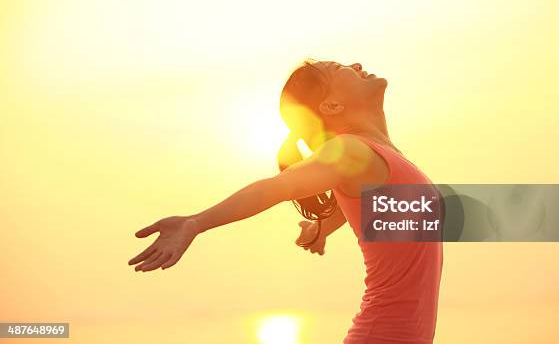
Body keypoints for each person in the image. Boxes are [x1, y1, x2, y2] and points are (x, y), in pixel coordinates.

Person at [128, 59, 444, 344]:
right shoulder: (351, 151)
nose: (357, 64)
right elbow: (277, 187)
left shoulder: (375, 158)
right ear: (332, 105)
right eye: (340, 68)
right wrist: (195, 222)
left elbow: (382, 210)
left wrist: (323, 226)